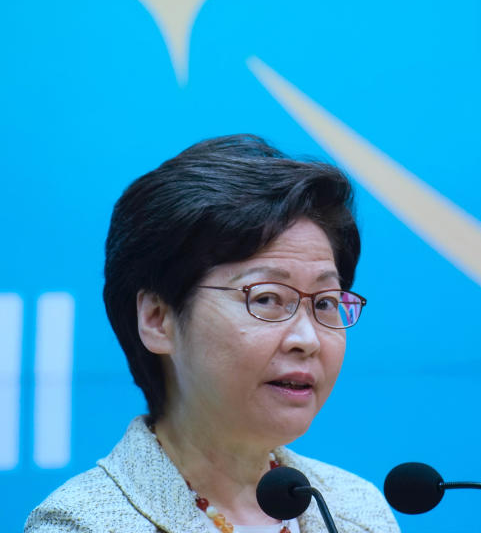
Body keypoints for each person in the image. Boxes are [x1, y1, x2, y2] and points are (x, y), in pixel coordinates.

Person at [25, 135, 400, 533]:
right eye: (268, 298)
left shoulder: (356, 511)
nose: (307, 339)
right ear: (157, 319)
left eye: (324, 302)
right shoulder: (83, 523)